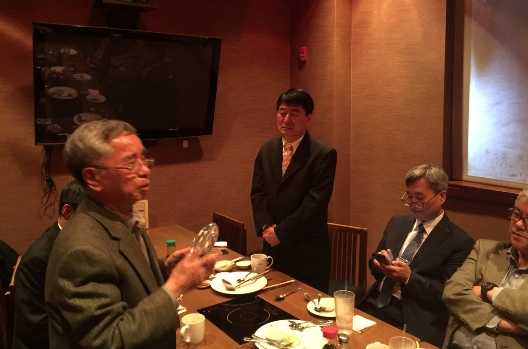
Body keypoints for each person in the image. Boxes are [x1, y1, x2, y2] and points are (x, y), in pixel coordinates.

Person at [44, 120, 217, 348]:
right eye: (130, 164)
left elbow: (121, 276)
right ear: (93, 178)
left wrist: (164, 268)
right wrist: (176, 285)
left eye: (143, 160)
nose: (145, 170)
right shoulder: (81, 250)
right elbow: (108, 340)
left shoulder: (121, 218)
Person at [358, 164, 474, 347]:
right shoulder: (397, 223)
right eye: (409, 197)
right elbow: (373, 263)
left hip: (412, 316)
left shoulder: (459, 242)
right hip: (374, 303)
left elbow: (447, 294)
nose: (413, 204)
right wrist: (379, 265)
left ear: (442, 196)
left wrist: (409, 278)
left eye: (420, 198)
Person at [251, 88, 337, 293]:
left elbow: (314, 203)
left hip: (306, 252)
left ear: (308, 118)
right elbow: (258, 192)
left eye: (294, 113)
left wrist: (281, 233)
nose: (286, 119)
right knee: (270, 303)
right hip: (273, 248)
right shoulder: (267, 149)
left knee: (306, 309)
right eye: (282, 112)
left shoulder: (323, 154)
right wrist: (266, 226)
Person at [442, 188, 528, 348]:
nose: (519, 224)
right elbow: (453, 292)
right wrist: (499, 322)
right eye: (516, 215)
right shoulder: (485, 250)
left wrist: (490, 292)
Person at [12, 179, 85, 349]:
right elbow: (36, 326)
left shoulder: (74, 244)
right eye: (88, 218)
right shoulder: (38, 260)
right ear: (68, 212)